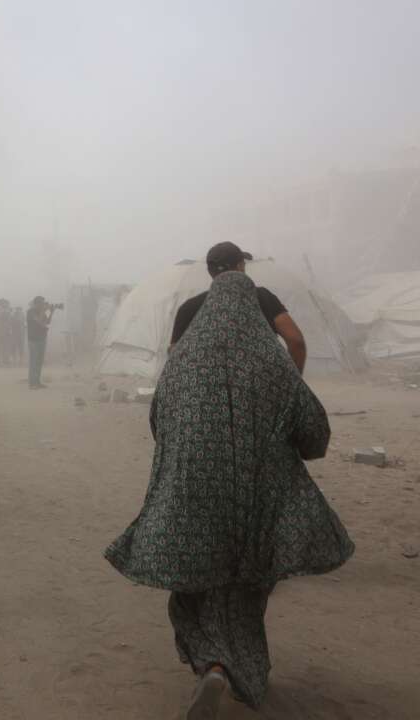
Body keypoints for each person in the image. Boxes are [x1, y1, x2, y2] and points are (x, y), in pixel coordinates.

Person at [104, 271, 354, 718]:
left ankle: (211, 665)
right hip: (256, 503)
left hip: (191, 497)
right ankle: (231, 668)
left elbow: (159, 425)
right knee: (244, 590)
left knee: (194, 583)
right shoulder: (271, 359)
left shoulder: (181, 363)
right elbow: (314, 432)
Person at [170, 241, 307, 372]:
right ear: (241, 266)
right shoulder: (262, 297)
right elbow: (296, 341)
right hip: (262, 391)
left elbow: (174, 356)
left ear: (210, 272)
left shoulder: (188, 308)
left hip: (208, 392)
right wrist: (292, 384)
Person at [26, 296, 55, 388]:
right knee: (33, 361)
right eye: (42, 303)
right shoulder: (30, 312)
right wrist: (44, 311)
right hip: (33, 339)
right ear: (37, 304)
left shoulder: (40, 311)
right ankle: (32, 383)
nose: (43, 304)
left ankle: (37, 381)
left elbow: (47, 322)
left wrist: (51, 312)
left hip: (42, 338)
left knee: (39, 361)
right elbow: (38, 321)